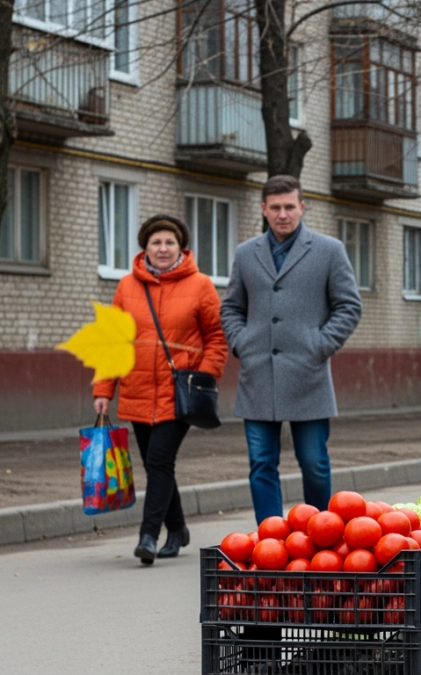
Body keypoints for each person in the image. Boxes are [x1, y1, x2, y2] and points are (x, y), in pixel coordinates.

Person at [221, 175, 362, 523]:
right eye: (275, 208)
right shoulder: (246, 253)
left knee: (314, 463)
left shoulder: (329, 250)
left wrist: (321, 344)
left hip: (308, 375)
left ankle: (319, 534)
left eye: (289, 207)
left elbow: (349, 306)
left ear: (302, 207)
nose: (283, 214)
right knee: (261, 463)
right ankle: (270, 538)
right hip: (258, 376)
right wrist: (242, 343)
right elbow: (231, 307)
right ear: (264, 210)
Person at [94, 215, 228, 565]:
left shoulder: (201, 285)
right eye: (156, 243)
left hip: (179, 391)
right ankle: (179, 528)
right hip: (137, 389)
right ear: (146, 247)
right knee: (157, 466)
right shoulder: (127, 286)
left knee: (159, 460)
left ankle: (148, 535)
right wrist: (104, 389)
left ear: (181, 247)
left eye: (169, 242)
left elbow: (216, 337)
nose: (163, 248)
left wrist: (204, 376)